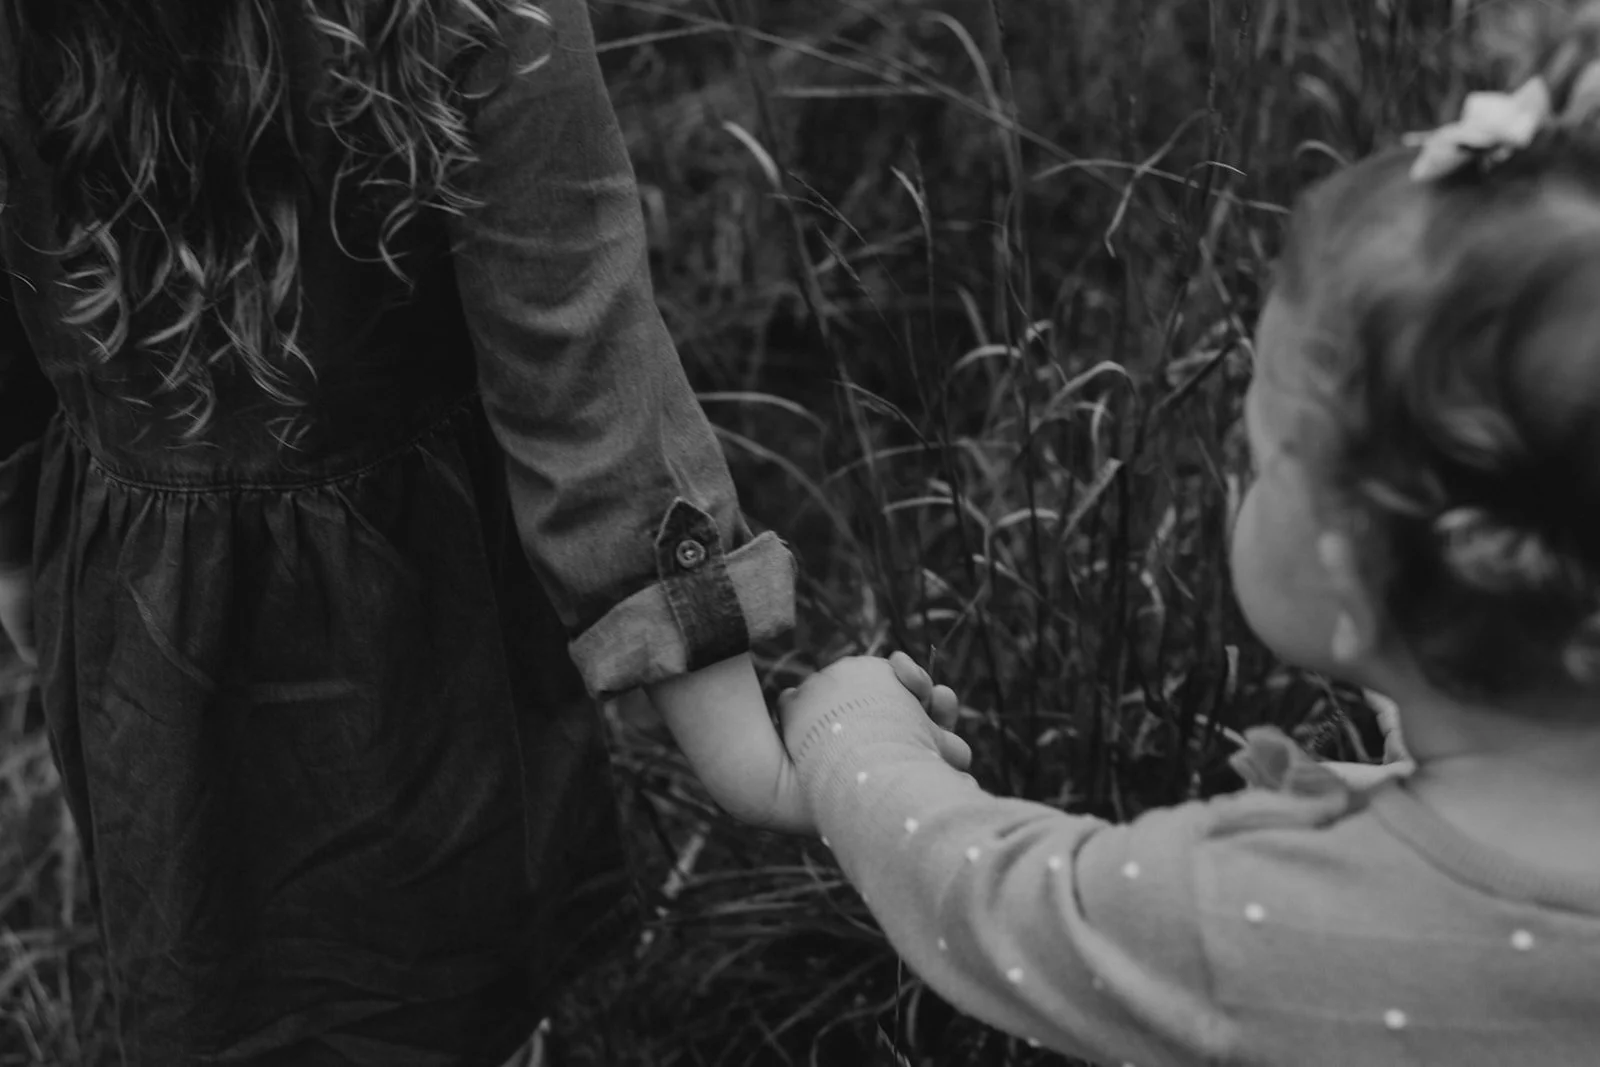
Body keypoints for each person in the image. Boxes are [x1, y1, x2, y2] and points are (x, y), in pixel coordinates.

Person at [0, 1, 812, 1064]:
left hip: (249, 639)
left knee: (278, 992)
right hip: (376, 630)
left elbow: (583, 380)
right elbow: (582, 368)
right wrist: (759, 759)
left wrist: (24, 553)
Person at [775, 66, 1600, 1067]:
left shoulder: (1252, 916)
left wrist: (847, 733)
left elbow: (984, 895)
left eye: (1259, 456)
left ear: (1354, 577)